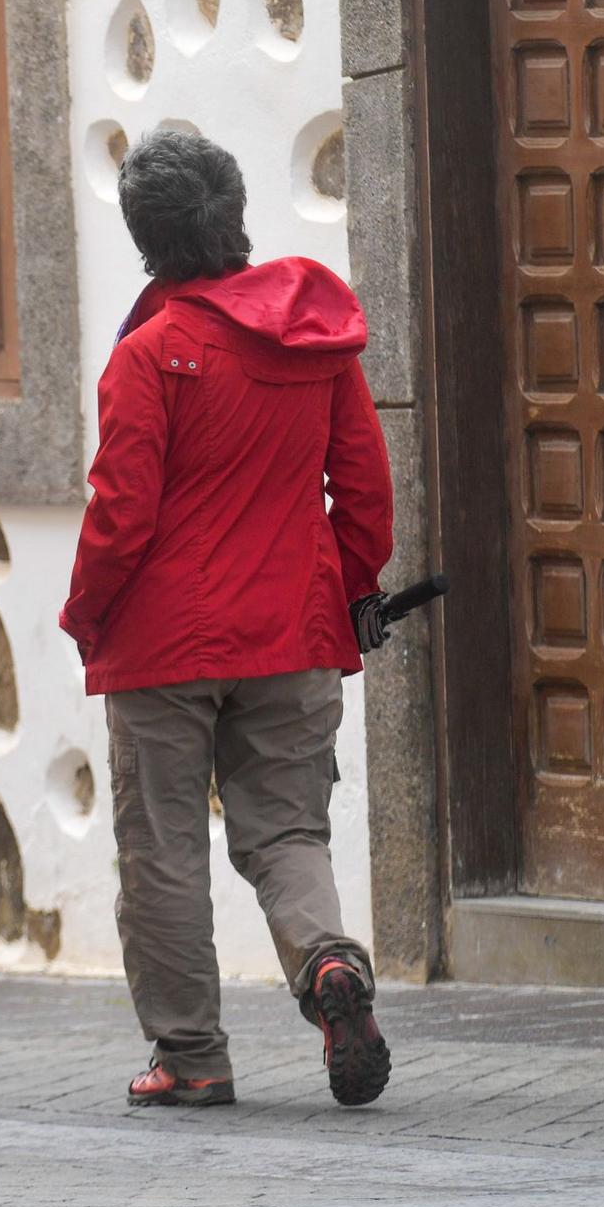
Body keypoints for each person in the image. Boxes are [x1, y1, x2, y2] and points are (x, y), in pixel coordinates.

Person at [60, 130, 395, 1110]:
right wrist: (353, 585)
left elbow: (120, 517)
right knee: (287, 828)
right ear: (234, 210)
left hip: (163, 642)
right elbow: (363, 489)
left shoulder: (149, 354)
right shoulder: (315, 339)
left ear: (142, 237)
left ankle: (191, 1054)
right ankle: (328, 965)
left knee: (162, 846)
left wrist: (85, 614)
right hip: (290, 625)